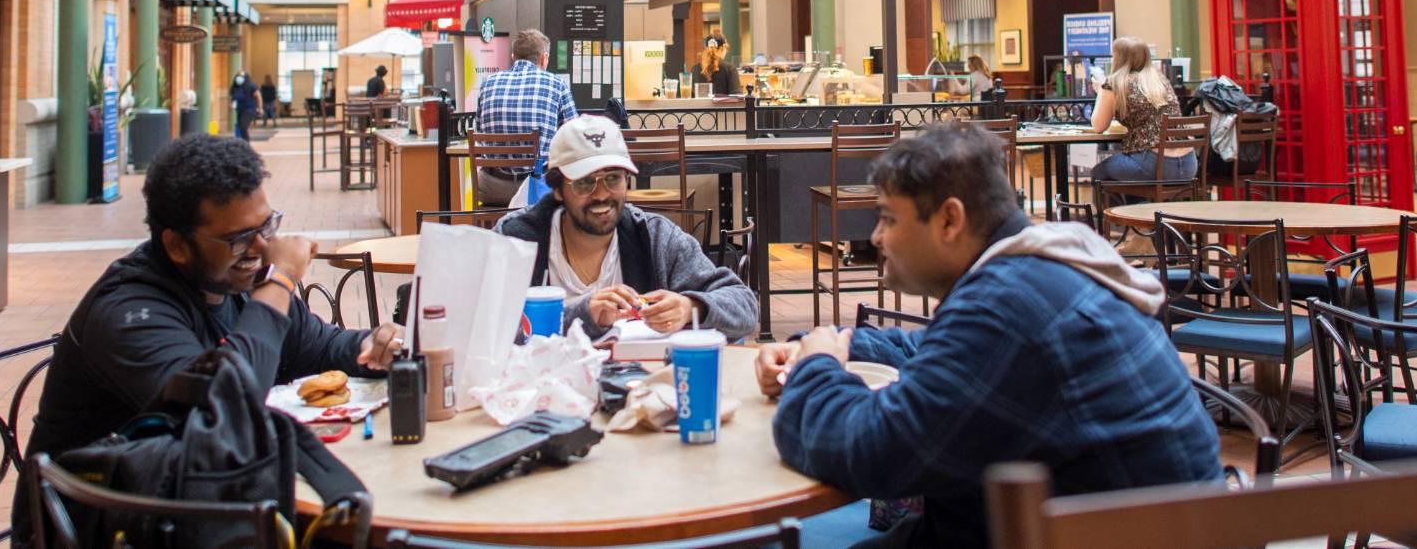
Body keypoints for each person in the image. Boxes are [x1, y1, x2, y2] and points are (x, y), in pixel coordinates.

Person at [761, 125, 1220, 548]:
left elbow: (865, 455)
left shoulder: (1009, 305)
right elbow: (938, 351)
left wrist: (819, 366)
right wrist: (833, 344)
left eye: (889, 219)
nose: (877, 237)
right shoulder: (1039, 269)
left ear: (949, 220)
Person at [20, 135, 403, 491]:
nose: (260, 248)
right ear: (176, 245)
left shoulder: (235, 282)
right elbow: (224, 412)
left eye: (266, 226)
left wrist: (372, 344)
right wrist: (282, 279)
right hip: (100, 520)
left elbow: (318, 346)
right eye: (238, 238)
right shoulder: (128, 313)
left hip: (194, 499)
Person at [495, 115, 757, 340]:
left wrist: (691, 306)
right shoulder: (516, 239)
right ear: (558, 189)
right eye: (585, 182)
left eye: (613, 178)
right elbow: (484, 326)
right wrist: (585, 315)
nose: (601, 195)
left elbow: (744, 307)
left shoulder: (655, 238)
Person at [470, 28, 577, 204]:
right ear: (544, 57)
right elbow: (573, 134)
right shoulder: (557, 85)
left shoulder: (488, 83)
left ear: (514, 56)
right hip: (536, 188)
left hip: (492, 187)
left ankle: (495, 232)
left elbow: (481, 131)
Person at [1089, 36, 1196, 188]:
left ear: (1118, 59)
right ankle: (1135, 210)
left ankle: (1118, 212)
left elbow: (1098, 126)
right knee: (1127, 176)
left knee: (1100, 173)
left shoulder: (1115, 83)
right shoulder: (1160, 79)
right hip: (1188, 164)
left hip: (1156, 165)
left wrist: (1101, 92)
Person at [229, 71, 259, 140]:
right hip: (240, 110)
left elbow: (258, 96)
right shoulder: (235, 87)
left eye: (241, 76)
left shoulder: (251, 86)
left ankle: (246, 141)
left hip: (249, 109)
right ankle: (243, 140)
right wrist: (231, 105)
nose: (239, 78)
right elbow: (233, 98)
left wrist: (260, 108)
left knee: (243, 125)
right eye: (238, 76)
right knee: (241, 127)